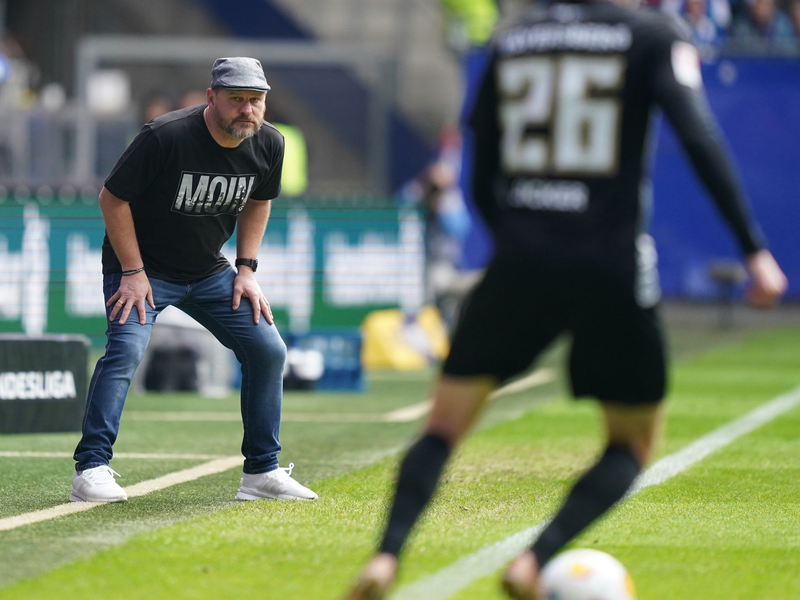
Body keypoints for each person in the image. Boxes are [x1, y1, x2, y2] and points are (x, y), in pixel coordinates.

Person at [346, 0, 787, 597]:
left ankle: (387, 556)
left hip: (522, 260)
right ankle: (535, 561)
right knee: (632, 443)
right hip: (609, 265)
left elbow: (480, 160)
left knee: (443, 425)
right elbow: (696, 130)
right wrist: (752, 248)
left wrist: (513, 240)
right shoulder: (649, 33)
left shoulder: (515, 36)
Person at [70, 57, 317, 504]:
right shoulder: (165, 135)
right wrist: (132, 272)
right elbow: (112, 199)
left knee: (268, 350)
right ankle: (91, 468)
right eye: (236, 99)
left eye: (255, 100)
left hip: (207, 269)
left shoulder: (270, 143)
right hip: (142, 270)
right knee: (126, 350)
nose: (247, 109)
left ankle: (261, 473)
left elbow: (259, 200)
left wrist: (246, 269)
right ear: (211, 98)